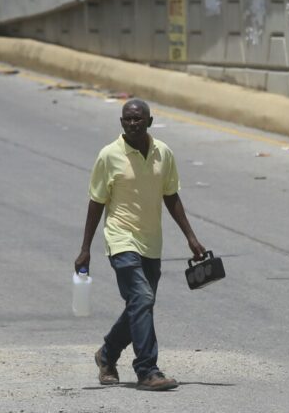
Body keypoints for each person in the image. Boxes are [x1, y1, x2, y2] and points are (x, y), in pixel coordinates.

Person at [74, 99, 206, 391]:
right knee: (142, 300)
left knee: (139, 304)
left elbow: (171, 196)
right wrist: (85, 248)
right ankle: (147, 370)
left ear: (150, 121)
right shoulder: (109, 155)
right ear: (121, 122)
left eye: (138, 119)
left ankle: (106, 355)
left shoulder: (164, 153)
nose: (132, 124)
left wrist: (191, 237)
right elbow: (97, 202)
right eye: (127, 119)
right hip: (121, 239)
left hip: (151, 242)